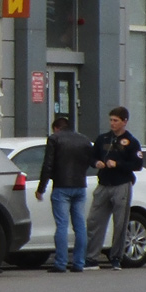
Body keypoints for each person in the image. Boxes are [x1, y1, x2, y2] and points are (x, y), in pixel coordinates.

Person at [84, 106, 143, 270]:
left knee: (120, 223)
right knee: (94, 221)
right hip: (104, 184)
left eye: (116, 121)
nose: (112, 123)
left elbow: (137, 164)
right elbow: (92, 156)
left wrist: (118, 164)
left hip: (121, 184)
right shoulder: (103, 139)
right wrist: (96, 163)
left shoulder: (131, 142)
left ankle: (116, 257)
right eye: (111, 120)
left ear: (124, 122)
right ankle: (91, 258)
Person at [36, 117, 92, 273]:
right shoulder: (84, 140)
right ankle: (79, 263)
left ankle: (61, 263)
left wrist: (41, 188)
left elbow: (47, 164)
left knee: (62, 225)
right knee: (80, 226)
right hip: (80, 186)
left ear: (56, 128)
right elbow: (89, 161)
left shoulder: (54, 139)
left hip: (61, 186)